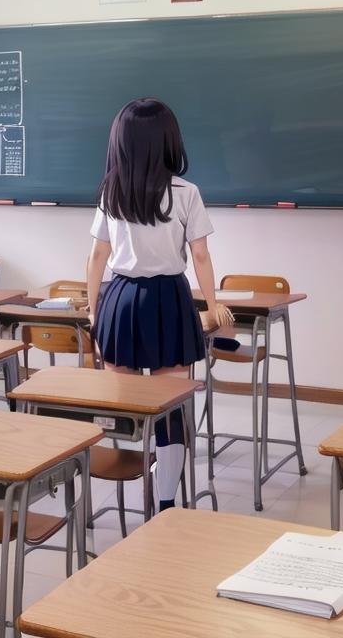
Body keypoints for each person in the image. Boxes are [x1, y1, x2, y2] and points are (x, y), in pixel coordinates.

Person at [87, 97, 234, 512]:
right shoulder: (186, 192)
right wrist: (213, 304)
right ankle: (166, 501)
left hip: (119, 298)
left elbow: (97, 256)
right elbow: (201, 256)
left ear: (121, 141)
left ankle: (125, 480)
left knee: (127, 404)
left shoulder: (111, 190)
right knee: (170, 407)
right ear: (170, 140)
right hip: (169, 297)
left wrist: (95, 311)